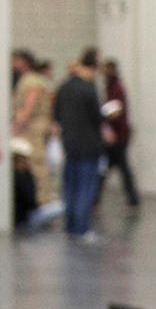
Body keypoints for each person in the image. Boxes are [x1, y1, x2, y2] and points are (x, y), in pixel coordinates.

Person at [53, 49, 106, 240]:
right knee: (85, 188)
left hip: (69, 144)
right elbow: (97, 117)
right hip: (89, 144)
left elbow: (56, 114)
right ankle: (82, 228)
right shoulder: (89, 89)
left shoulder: (64, 87)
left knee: (70, 187)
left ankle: (70, 226)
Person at [100, 57, 140, 209]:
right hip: (117, 134)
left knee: (117, 168)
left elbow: (115, 112)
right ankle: (132, 198)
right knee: (115, 167)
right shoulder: (112, 87)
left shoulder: (115, 88)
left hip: (117, 135)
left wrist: (105, 121)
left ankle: (132, 198)